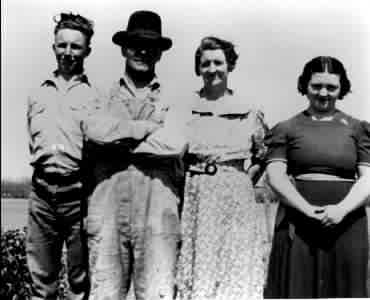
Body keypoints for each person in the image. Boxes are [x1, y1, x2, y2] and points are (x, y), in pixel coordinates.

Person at [83, 10, 187, 300]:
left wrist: (118, 139)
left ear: (160, 54)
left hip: (159, 216)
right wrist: (148, 128)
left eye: (150, 45)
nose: (142, 51)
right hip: (107, 213)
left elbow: (175, 144)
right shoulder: (100, 95)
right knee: (104, 294)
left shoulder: (174, 98)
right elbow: (94, 132)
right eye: (135, 44)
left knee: (157, 294)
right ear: (124, 48)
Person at [264, 56, 370, 298]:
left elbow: (368, 178)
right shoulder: (286, 128)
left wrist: (341, 210)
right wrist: (307, 210)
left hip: (347, 222)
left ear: (342, 88)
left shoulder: (358, 129)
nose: (324, 93)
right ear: (304, 86)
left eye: (331, 87)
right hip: (298, 221)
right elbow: (276, 176)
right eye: (316, 86)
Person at [176, 36, 269, 300]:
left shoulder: (249, 110)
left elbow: (264, 152)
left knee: (235, 265)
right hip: (197, 194)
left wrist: (244, 179)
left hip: (235, 196)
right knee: (200, 265)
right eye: (205, 64)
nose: (212, 69)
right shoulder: (186, 108)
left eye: (218, 62)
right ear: (198, 68)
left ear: (229, 66)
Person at [26, 12, 96, 299]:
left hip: (78, 197)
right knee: (41, 284)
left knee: (80, 284)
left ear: (87, 51)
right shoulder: (36, 93)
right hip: (41, 195)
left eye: (76, 47)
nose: (68, 53)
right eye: (62, 45)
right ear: (53, 46)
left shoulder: (96, 96)